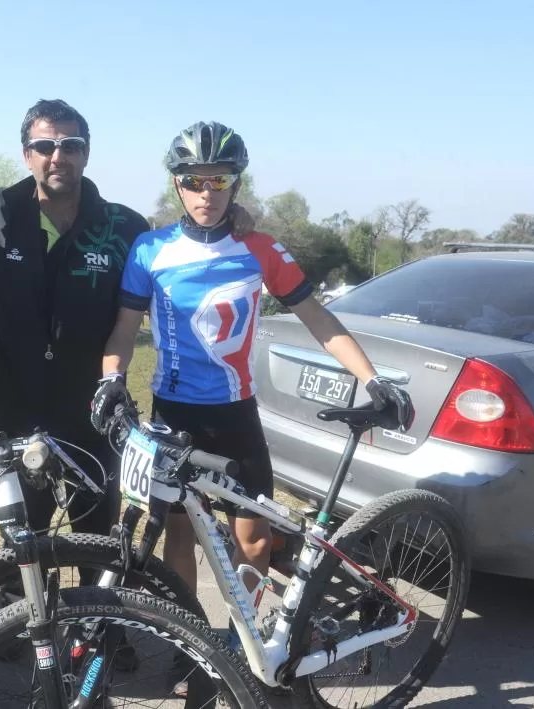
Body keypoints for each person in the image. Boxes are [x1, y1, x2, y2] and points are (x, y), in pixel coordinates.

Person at [0, 100, 257, 543]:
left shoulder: (124, 226)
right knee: (23, 554)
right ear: (26, 154)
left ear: (86, 153)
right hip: (15, 419)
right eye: (44, 146)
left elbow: (183, 246)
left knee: (100, 547)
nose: (58, 156)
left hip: (95, 419)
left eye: (70, 145)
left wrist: (229, 219)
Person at [90, 121, 414, 673]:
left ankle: (240, 641)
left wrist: (372, 377)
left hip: (235, 415)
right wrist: (111, 379)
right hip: (174, 414)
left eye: (219, 180)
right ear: (177, 184)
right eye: (194, 181)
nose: (206, 193)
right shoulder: (151, 249)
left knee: (255, 543)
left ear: (236, 184)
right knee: (178, 536)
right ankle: (189, 645)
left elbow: (317, 317)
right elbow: (123, 330)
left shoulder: (259, 248)